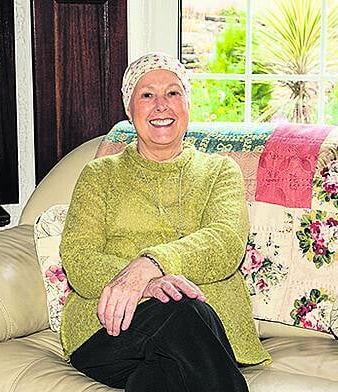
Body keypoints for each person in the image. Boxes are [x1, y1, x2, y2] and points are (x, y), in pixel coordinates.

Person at [59, 52, 271, 392]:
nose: (161, 105)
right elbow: (78, 256)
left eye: (173, 93)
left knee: (163, 374)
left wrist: (151, 264)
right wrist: (145, 286)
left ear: (188, 105)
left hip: (203, 335)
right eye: (147, 95)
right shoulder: (101, 174)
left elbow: (225, 241)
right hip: (111, 331)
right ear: (129, 110)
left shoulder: (220, 171)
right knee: (180, 309)